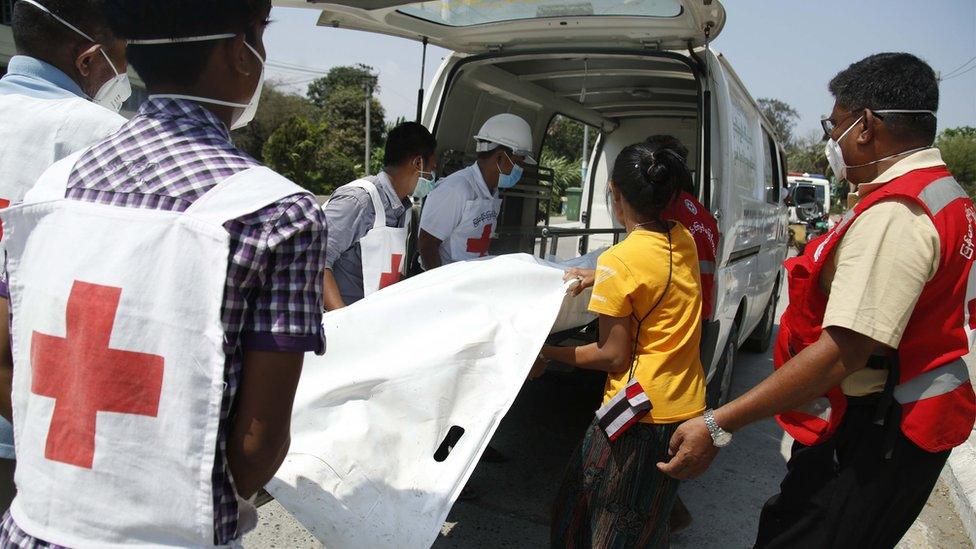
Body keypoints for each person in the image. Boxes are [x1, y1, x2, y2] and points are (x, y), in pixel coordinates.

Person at [0, 0, 327, 546]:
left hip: (33, 526)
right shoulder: (276, 213)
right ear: (240, 53)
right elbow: (258, 443)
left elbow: (7, 357)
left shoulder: (49, 188)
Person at [658, 53, 976, 548]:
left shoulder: (896, 215)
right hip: (895, 425)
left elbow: (841, 353)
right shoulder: (947, 196)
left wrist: (718, 422)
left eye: (836, 123)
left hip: (873, 435)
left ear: (866, 125)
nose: (832, 139)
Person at [532, 142, 707, 547]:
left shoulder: (619, 260)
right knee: (642, 514)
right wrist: (599, 277)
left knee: (589, 521)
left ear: (614, 193)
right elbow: (654, 279)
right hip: (685, 405)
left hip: (638, 412)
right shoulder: (681, 238)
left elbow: (613, 355)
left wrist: (546, 352)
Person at [0, 0, 130, 512]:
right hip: (34, 422)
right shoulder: (104, 137)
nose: (124, 71)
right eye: (123, 56)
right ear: (88, 59)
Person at [323, 122, 437, 310]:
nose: (432, 177)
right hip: (339, 325)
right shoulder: (358, 201)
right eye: (432, 169)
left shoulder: (400, 209)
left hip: (371, 320)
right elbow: (314, 261)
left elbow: (385, 271)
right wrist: (343, 320)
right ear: (418, 163)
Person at [418, 113, 536, 270]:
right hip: (449, 284)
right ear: (500, 157)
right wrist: (443, 289)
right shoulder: (457, 189)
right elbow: (427, 245)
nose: (519, 170)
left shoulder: (492, 191)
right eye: (517, 163)